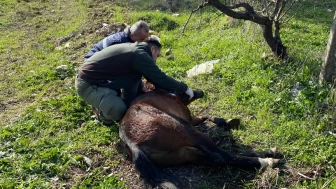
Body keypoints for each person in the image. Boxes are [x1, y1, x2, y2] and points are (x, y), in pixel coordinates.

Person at [76, 36, 194, 125]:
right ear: (152, 49)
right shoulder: (139, 54)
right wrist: (185, 88)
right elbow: (159, 78)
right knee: (119, 111)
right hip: (87, 84)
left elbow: (132, 80)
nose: (156, 60)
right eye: (157, 56)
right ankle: (102, 114)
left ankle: (106, 100)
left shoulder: (134, 50)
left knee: (129, 97)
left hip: (101, 80)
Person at [84, 20, 150, 59]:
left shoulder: (127, 38)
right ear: (132, 36)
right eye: (141, 39)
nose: (143, 42)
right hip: (91, 63)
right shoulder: (120, 43)